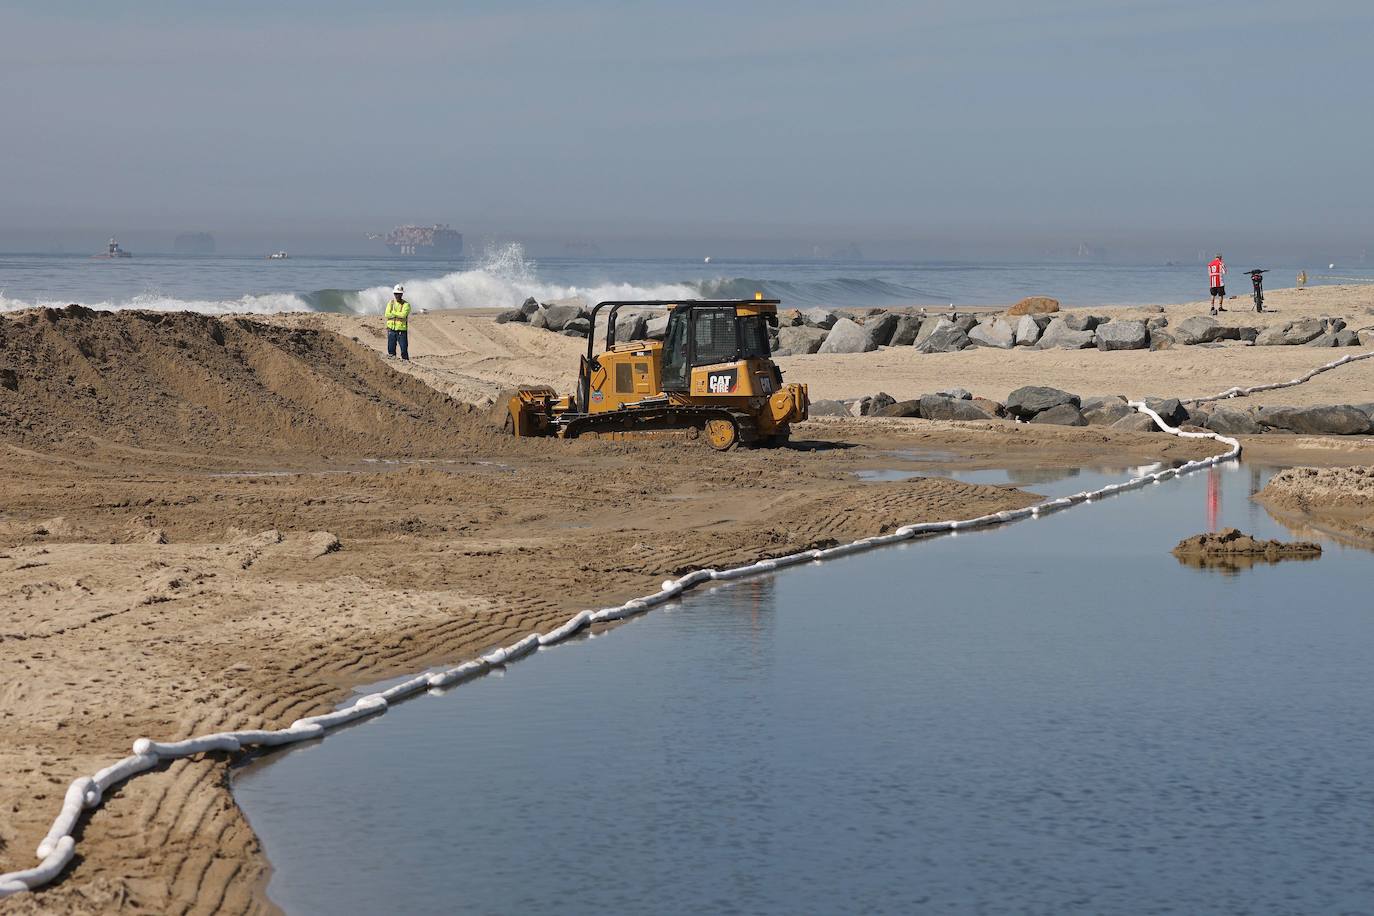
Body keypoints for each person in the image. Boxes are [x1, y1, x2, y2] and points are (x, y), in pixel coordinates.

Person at [385, 284, 411, 360]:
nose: (397, 295)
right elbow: (387, 314)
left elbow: (403, 315)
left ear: (402, 294)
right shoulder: (391, 303)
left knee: (404, 350)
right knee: (391, 350)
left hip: (401, 331)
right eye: (396, 294)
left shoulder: (406, 304)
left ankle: (406, 363)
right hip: (391, 330)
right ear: (394, 294)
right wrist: (397, 315)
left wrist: (393, 313)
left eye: (399, 294)